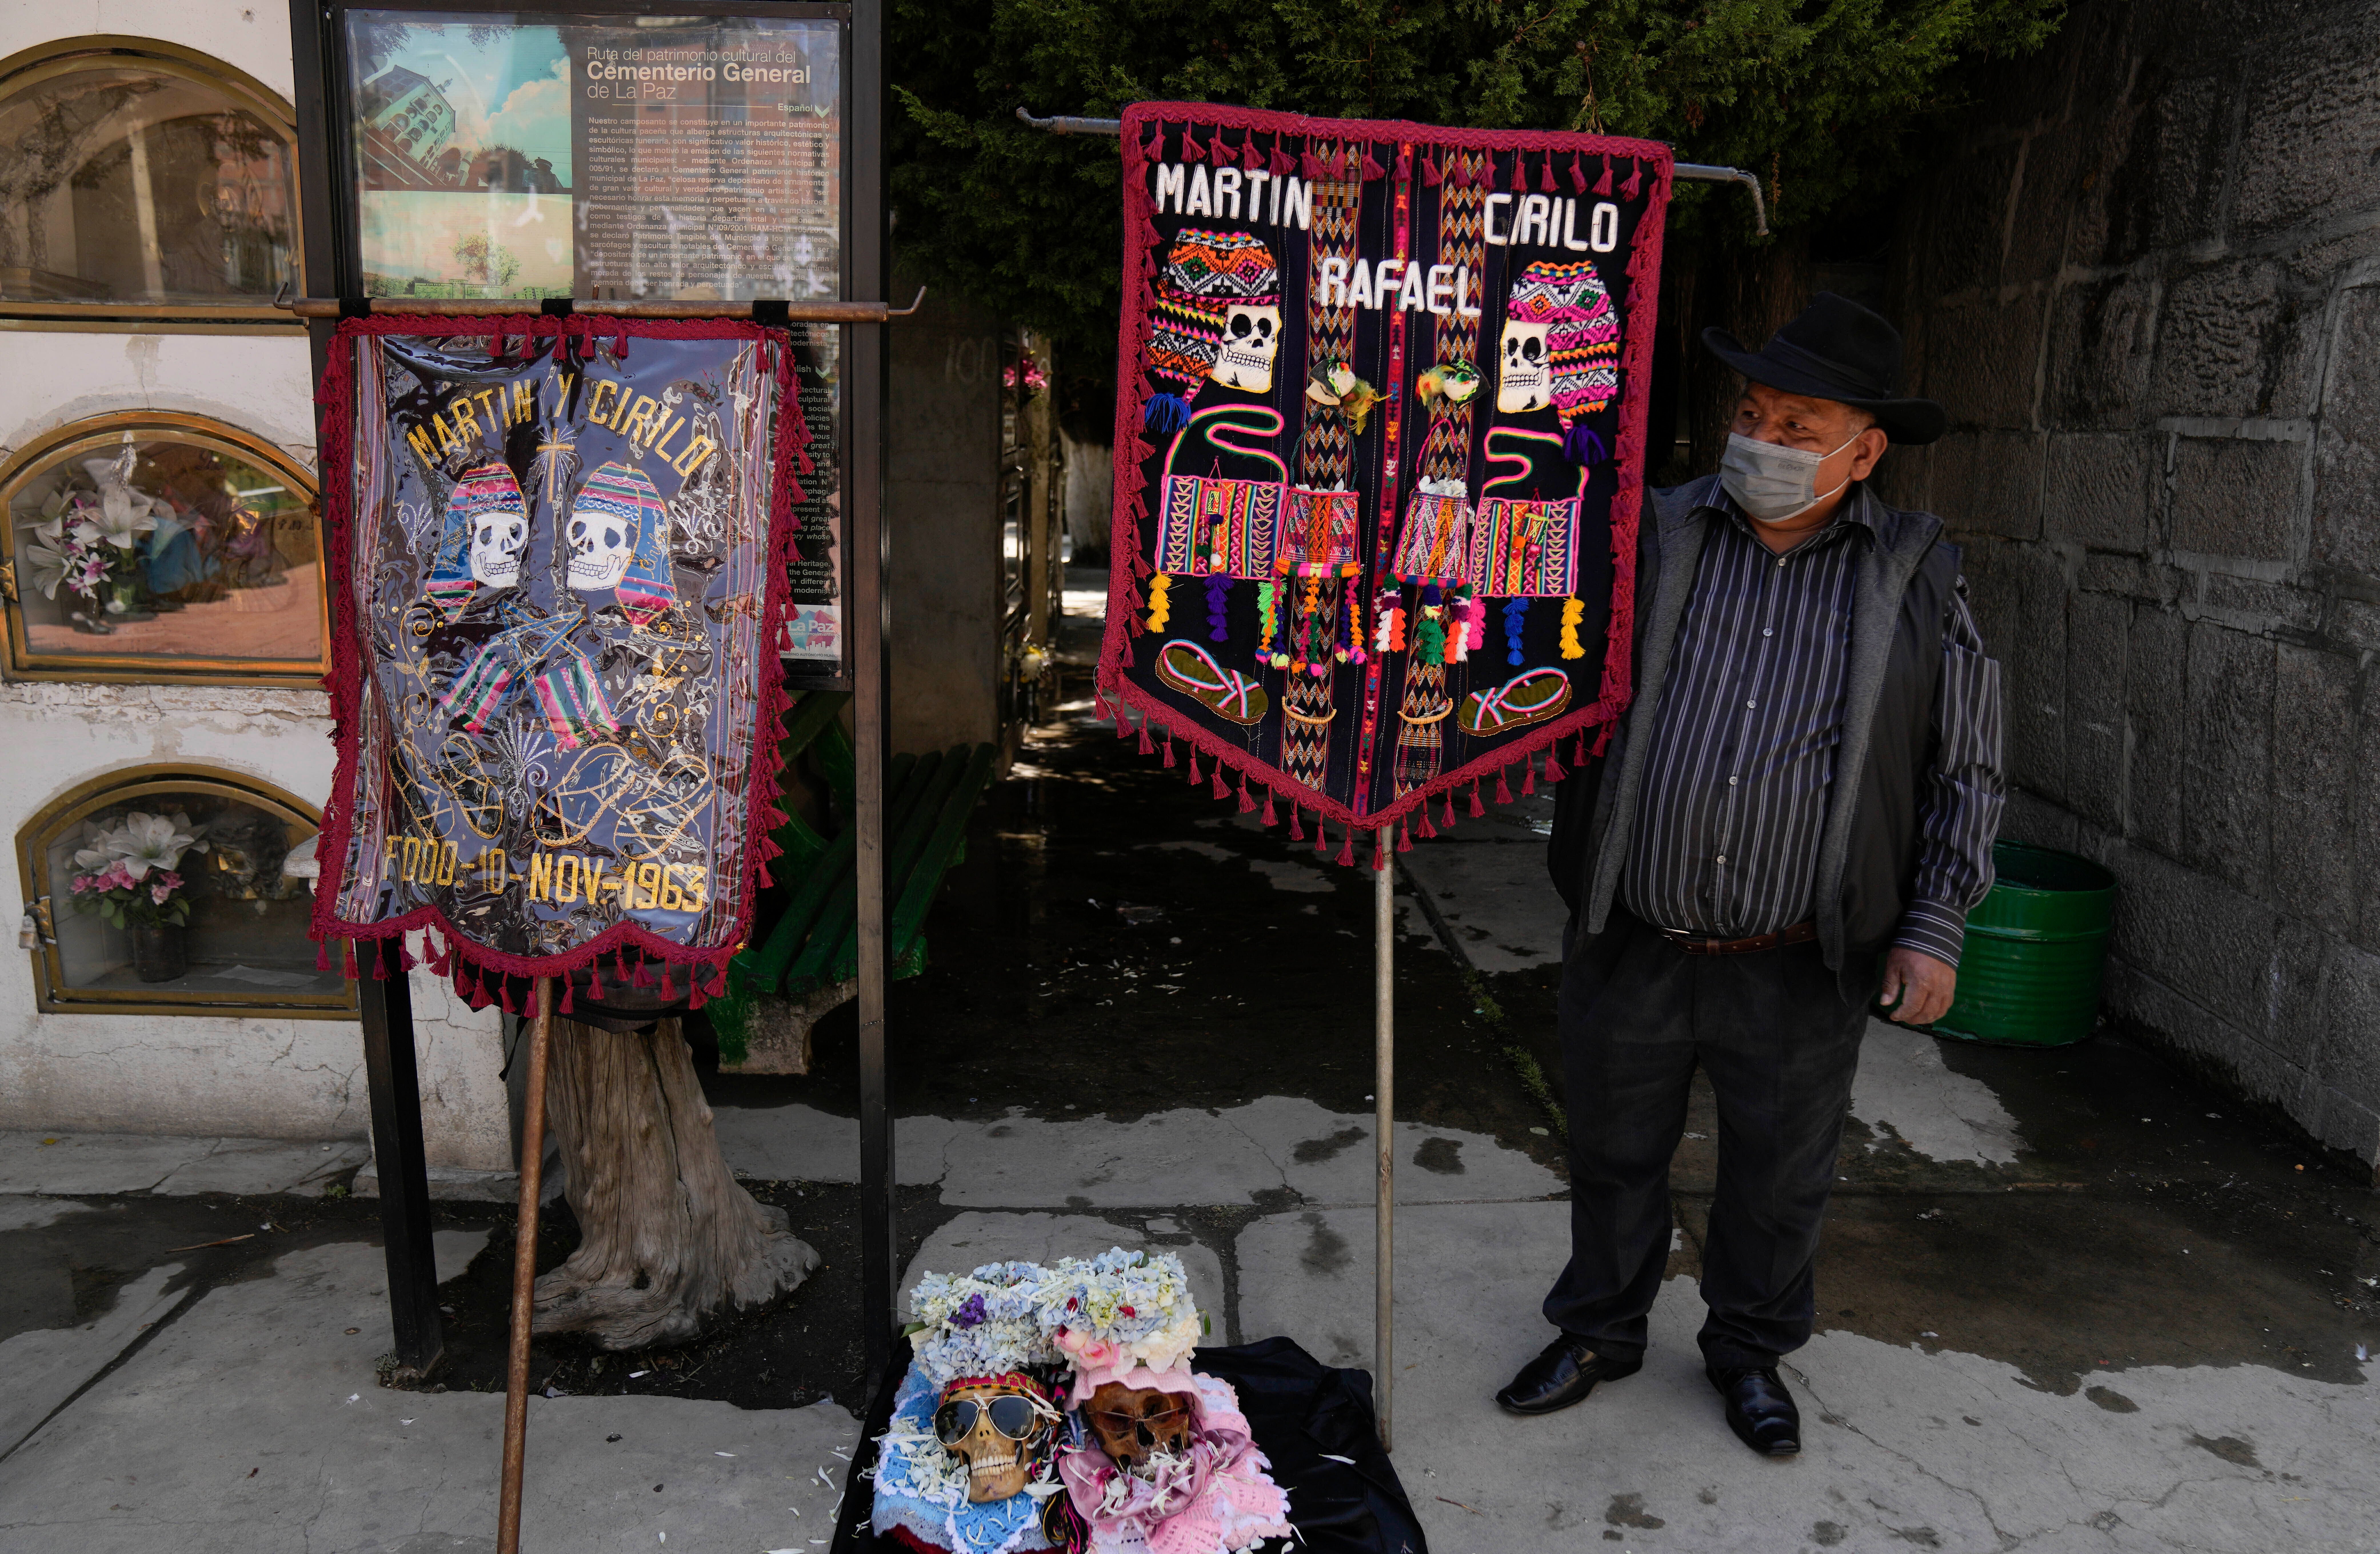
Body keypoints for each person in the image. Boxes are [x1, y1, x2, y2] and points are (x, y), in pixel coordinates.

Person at [1499, 293, 2005, 1455]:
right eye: (1753, 412)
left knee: (1778, 1175)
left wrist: (1933, 924)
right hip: (1636, 926)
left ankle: (1748, 1351)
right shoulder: (1656, 536)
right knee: (1612, 1148)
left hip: (1798, 951)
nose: (1763, 441)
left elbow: (1967, 758)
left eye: (1798, 424)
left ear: (1864, 449)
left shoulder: (1917, 573)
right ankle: (1597, 1329)